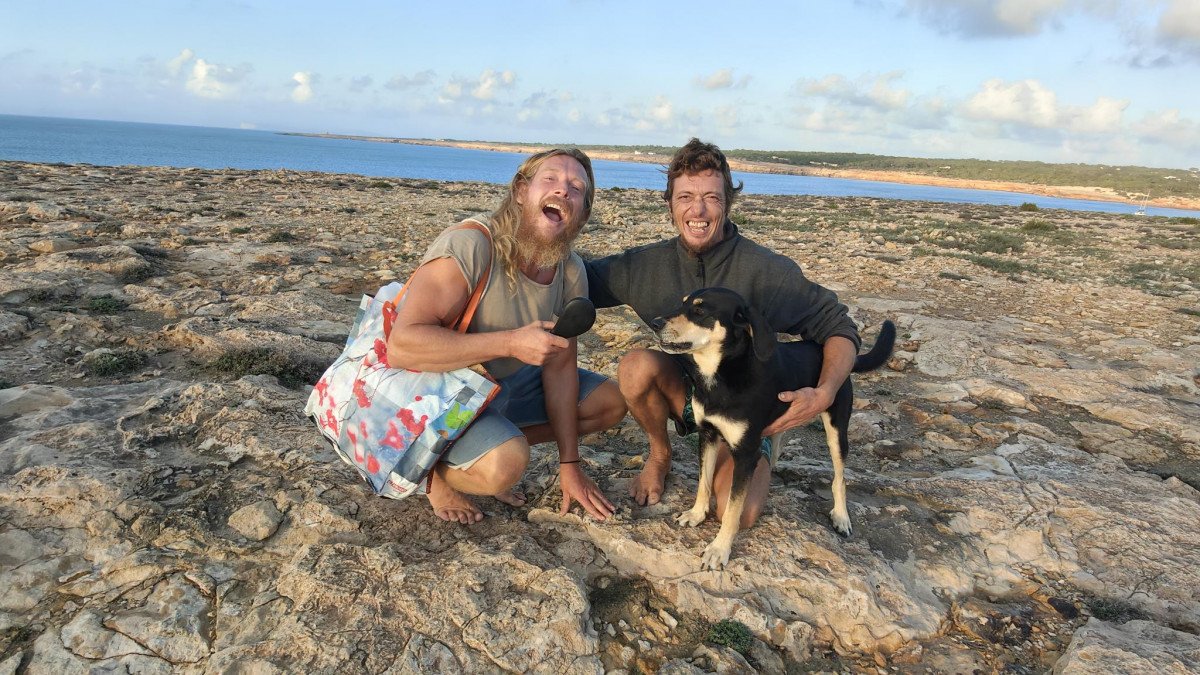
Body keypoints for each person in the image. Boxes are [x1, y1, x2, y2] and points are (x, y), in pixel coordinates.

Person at [586, 138, 861, 528]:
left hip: (744, 406)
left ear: (727, 203)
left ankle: (759, 448)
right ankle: (660, 455)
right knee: (635, 366)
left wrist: (825, 392)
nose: (697, 209)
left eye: (711, 198)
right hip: (686, 392)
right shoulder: (642, 267)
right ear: (669, 204)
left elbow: (839, 327)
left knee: (742, 513)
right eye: (685, 196)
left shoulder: (767, 272)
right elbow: (574, 281)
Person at [388, 149, 626, 524]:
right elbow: (402, 346)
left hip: (502, 387)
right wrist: (510, 343)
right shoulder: (471, 246)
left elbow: (561, 368)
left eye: (576, 187)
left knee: (610, 402)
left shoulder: (570, 270)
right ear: (520, 191)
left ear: (582, 213)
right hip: (434, 390)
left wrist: (570, 465)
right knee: (507, 464)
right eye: (550, 179)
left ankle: (476, 451)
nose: (563, 191)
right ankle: (434, 473)